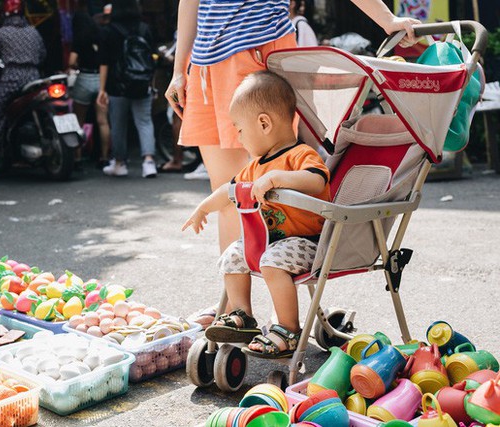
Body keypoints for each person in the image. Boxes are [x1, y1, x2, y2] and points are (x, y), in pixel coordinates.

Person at [169, 0, 420, 329]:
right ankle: (234, 311)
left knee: (278, 180)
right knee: (231, 193)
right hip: (205, 61)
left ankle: (282, 317)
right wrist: (179, 69)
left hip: (257, 47)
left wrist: (386, 19)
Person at [183, 71, 330, 358]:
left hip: (307, 241)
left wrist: (279, 177)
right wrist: (203, 208)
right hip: (270, 243)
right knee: (232, 255)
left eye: (239, 129)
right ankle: (242, 316)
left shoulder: (299, 155)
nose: (238, 137)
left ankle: (288, 329)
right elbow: (229, 189)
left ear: (263, 123)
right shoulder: (254, 166)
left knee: (272, 262)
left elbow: (317, 180)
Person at [0, 0, 46, 179]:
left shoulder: (2, 33)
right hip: (34, 77)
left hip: (11, 79)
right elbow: (43, 54)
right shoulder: (33, 31)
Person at [97, 0, 158, 178]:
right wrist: (151, 84)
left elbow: (104, 62)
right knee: (145, 122)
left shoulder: (108, 31)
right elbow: (151, 57)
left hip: (118, 85)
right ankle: (149, 162)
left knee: (118, 123)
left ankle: (119, 163)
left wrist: (102, 89)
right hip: (142, 82)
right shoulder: (144, 28)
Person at [68, 0, 111, 171]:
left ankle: (77, 157)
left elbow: (71, 61)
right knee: (102, 121)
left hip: (84, 78)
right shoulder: (101, 35)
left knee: (78, 121)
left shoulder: (79, 38)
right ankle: (105, 158)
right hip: (100, 80)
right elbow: (105, 62)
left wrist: (76, 66)